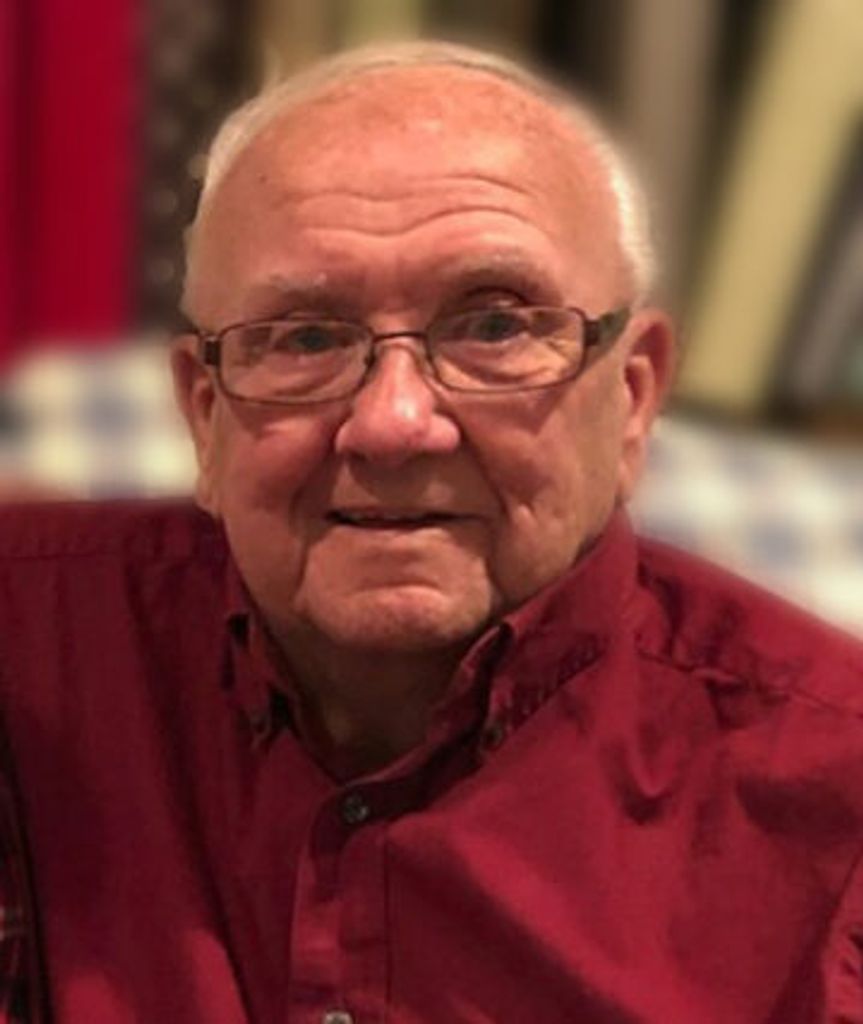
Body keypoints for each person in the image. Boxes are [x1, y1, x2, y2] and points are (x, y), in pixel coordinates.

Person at [1, 40, 862, 1024]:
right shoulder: (35, 646)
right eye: (305, 337)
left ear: (631, 399)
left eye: (494, 327)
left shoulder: (832, 800)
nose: (394, 422)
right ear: (205, 415)